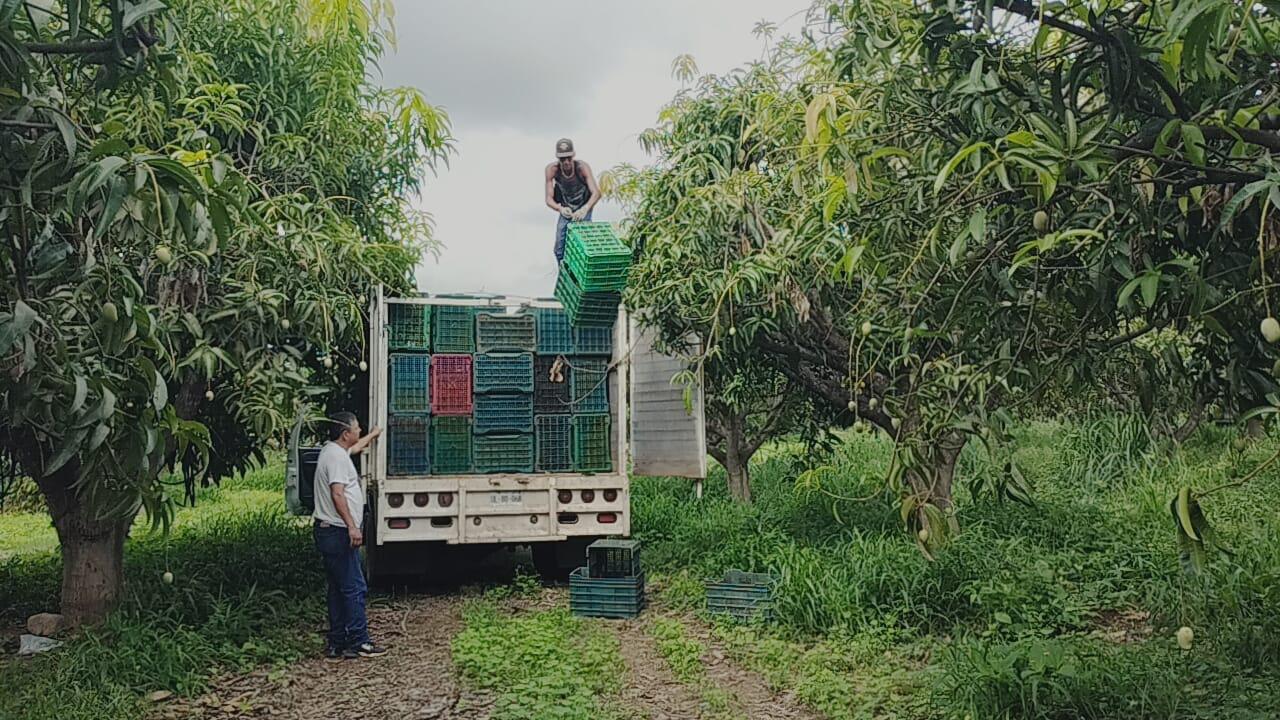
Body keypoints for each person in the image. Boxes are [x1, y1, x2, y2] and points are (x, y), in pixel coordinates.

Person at [313, 411, 385, 660]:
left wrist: (374, 435)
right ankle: (358, 641)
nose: (360, 432)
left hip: (329, 530)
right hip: (337, 531)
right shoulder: (336, 459)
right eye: (357, 429)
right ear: (346, 434)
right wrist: (352, 526)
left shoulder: (334, 452)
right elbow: (337, 493)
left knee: (338, 587)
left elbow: (354, 450)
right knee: (354, 586)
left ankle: (337, 642)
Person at [545, 137, 601, 263]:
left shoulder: (582, 167)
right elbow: (548, 199)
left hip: (583, 207)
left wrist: (585, 209)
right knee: (559, 249)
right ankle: (565, 276)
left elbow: (596, 193)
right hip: (566, 209)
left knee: (583, 246)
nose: (566, 162)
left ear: (573, 156)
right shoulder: (552, 170)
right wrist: (560, 208)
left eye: (568, 158)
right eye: (562, 159)